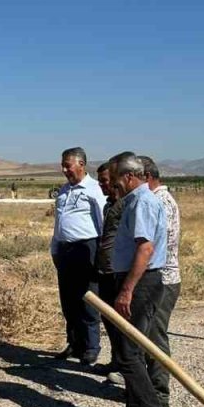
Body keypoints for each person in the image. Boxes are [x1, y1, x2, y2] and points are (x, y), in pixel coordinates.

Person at [102, 152, 168, 407]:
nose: (113, 186)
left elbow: (145, 249)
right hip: (133, 280)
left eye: (116, 179)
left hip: (141, 282)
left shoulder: (142, 201)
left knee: (130, 352)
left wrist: (127, 290)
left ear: (129, 177)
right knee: (126, 350)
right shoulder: (134, 201)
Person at [50, 147, 106, 364]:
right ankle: (74, 343)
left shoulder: (94, 189)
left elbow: (102, 221)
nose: (64, 169)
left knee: (88, 299)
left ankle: (92, 346)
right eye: (63, 165)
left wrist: (101, 252)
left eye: (68, 165)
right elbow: (59, 222)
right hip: (65, 250)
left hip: (87, 248)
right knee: (68, 299)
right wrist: (55, 247)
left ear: (81, 164)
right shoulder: (64, 191)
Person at [140, 156, 181, 407]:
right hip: (158, 279)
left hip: (162, 280)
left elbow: (153, 249)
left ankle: (159, 394)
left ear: (146, 176)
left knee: (155, 337)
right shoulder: (157, 200)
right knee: (148, 336)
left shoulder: (160, 202)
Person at [94, 161, 125, 384]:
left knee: (123, 324)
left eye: (105, 181)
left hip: (119, 272)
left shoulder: (127, 205)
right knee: (109, 320)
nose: (101, 185)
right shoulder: (108, 205)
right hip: (104, 270)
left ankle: (127, 368)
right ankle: (116, 361)